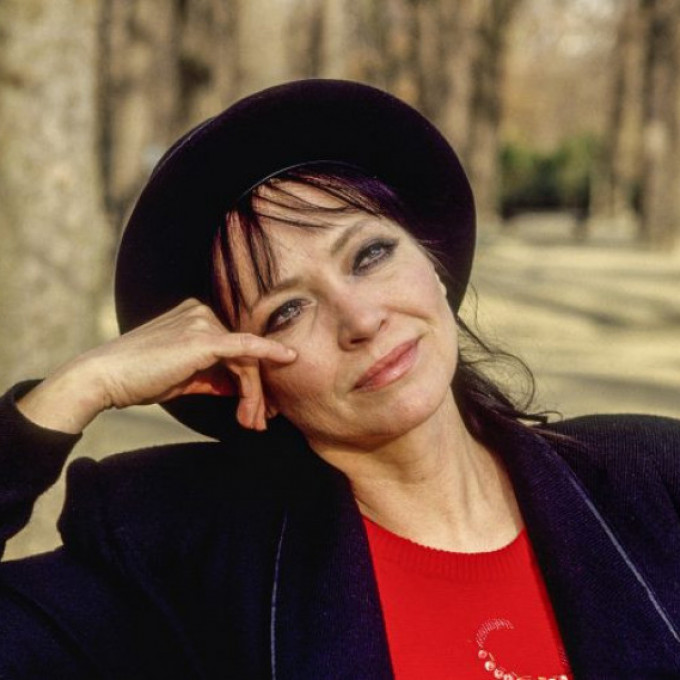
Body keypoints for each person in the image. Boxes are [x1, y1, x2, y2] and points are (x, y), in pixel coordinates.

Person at [0, 79, 679, 680]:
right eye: (287, 310)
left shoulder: (652, 479)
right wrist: (76, 388)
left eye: (370, 254)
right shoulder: (179, 561)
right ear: (244, 374)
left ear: (433, 264)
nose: (359, 319)